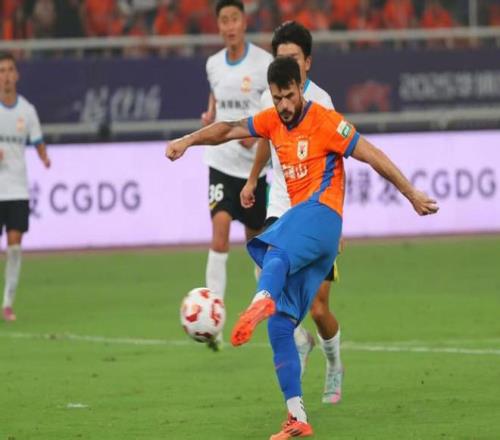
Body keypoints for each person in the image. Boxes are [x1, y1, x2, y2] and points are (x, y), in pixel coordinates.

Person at [166, 57, 438, 439]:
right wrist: (187, 141)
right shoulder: (272, 120)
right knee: (280, 325)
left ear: (300, 87)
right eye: (277, 98)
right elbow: (227, 129)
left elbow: (371, 154)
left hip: (323, 218)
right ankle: (297, 416)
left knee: (274, 246)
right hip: (308, 237)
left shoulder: (326, 121)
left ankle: (261, 297)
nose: (284, 105)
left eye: (289, 96)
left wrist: (411, 194)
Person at [240, 20, 344, 404]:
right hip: (281, 205)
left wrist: (336, 224)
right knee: (267, 269)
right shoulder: (271, 98)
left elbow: (338, 160)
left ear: (308, 62)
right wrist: (253, 179)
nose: (287, 63)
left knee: (318, 307)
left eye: (294, 57)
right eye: (280, 57)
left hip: (316, 212)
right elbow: (265, 137)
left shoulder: (322, 102)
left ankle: (334, 363)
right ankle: (298, 340)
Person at [200, 0, 273, 350]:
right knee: (220, 232)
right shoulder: (213, 64)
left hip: (253, 170)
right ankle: (212, 321)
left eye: (234, 19)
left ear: (244, 23)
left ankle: (265, 309)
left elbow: (273, 110)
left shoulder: (263, 63)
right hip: (221, 163)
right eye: (223, 21)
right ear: (218, 26)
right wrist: (209, 115)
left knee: (256, 244)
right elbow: (216, 100)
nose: (229, 26)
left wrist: (256, 137)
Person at [0, 52, 51, 322]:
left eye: (10, 70)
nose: (6, 76)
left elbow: (37, 140)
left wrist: (44, 157)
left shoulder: (27, 110)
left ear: (17, 75)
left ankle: (7, 303)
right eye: (1, 71)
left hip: (17, 188)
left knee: (15, 247)